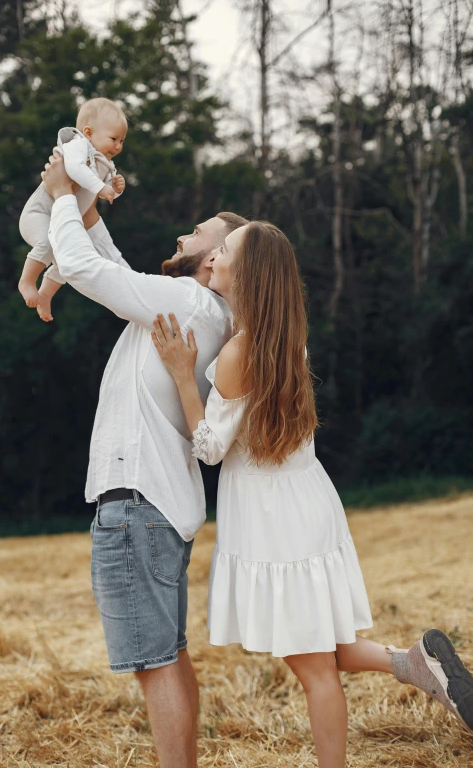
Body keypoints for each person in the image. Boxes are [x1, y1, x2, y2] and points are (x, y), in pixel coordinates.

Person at [151, 220, 473, 768]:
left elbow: (208, 448)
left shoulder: (236, 354)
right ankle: (417, 663)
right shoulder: (285, 340)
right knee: (318, 641)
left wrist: (184, 377)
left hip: (272, 519)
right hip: (308, 503)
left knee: (315, 670)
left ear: (243, 273)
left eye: (223, 251)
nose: (214, 258)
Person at [40, 150, 248, 768]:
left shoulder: (186, 302)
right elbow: (114, 269)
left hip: (136, 506)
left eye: (203, 228)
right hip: (157, 507)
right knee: (168, 656)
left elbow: (81, 266)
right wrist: (92, 201)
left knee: (155, 665)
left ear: (213, 258)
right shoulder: (198, 307)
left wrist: (57, 194)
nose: (188, 230)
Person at [18, 98, 127, 322]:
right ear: (88, 132)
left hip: (60, 219)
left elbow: (104, 195)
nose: (118, 146)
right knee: (48, 244)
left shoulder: (104, 163)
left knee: (70, 256)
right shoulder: (77, 146)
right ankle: (27, 281)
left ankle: (46, 293)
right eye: (113, 139)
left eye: (122, 141)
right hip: (39, 214)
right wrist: (101, 186)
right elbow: (75, 169)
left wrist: (115, 189)